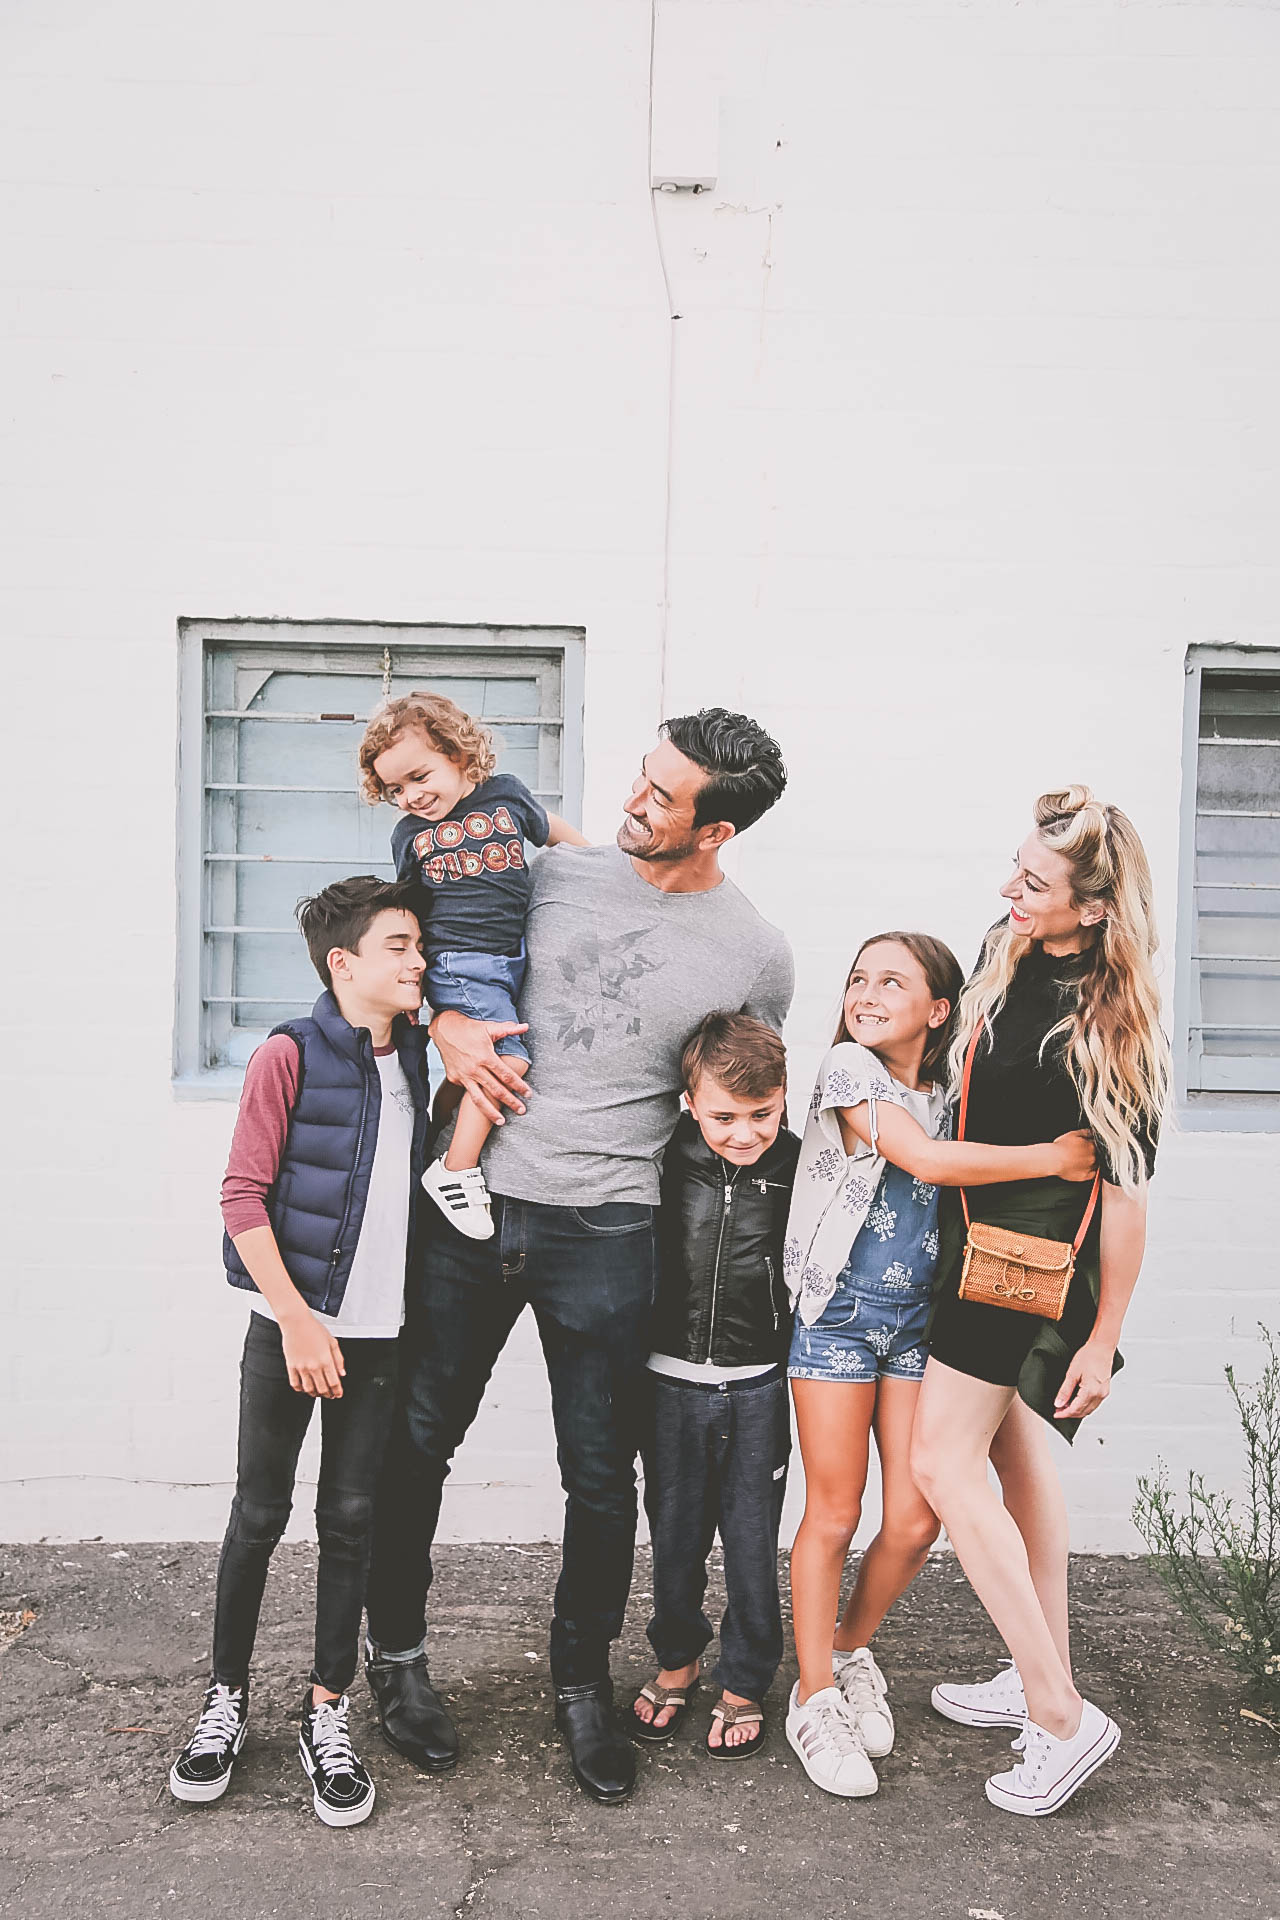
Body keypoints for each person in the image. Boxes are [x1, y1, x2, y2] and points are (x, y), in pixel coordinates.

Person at [362, 709, 793, 1804]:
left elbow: (733, 1105)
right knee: (418, 1442)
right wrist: (444, 1028)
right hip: (470, 1209)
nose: (632, 804)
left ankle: (579, 1687)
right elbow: (410, 961)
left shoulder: (753, 954)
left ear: (717, 831)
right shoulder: (549, 873)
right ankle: (398, 1663)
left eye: (661, 798)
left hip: (607, 1229)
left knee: (602, 1479)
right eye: (640, 779)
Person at [782, 932, 1099, 1799]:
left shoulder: (955, 1088)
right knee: (835, 1512)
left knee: (919, 1520)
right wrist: (1053, 1157)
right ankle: (812, 1697)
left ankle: (848, 1651)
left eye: (893, 980)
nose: (867, 992)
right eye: (857, 976)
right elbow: (918, 1159)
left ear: (940, 1009)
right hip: (840, 1319)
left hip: (926, 1325)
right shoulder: (849, 1072)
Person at [911, 788, 1168, 1818]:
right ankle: (1033, 1669)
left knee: (939, 1462)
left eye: (1031, 883)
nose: (1006, 891)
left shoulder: (1112, 1020)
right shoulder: (1002, 949)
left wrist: (1101, 1341)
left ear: (1094, 907)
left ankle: (1060, 1714)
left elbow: (1124, 1195)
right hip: (962, 1242)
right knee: (1012, 1463)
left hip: (1022, 1266)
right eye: (1010, 869)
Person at [167, 877, 432, 1827]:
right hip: (290, 1328)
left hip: (382, 1336)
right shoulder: (288, 1052)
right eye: (398, 945)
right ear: (344, 962)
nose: (418, 959)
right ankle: (225, 1699)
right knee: (258, 1513)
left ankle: (329, 1711)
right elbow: (243, 1200)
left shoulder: (422, 1058)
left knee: (351, 1522)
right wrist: (297, 1321)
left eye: (418, 944)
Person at [628, 1013, 799, 1760]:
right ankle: (676, 1658)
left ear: (784, 1099)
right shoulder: (663, 1158)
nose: (743, 1133)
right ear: (691, 1102)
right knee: (675, 1538)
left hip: (758, 1386)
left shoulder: (799, 1165)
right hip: (667, 1386)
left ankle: (745, 1676)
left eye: (761, 1115)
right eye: (725, 1116)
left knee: (754, 1544)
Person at [358, 691, 588, 1241]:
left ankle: (444, 1129)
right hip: (459, 962)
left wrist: (598, 860)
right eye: (395, 790)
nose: (411, 796)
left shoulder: (504, 796)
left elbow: (549, 826)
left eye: (419, 776)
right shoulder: (410, 837)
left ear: (459, 755)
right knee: (508, 1060)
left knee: (478, 1068)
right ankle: (456, 1169)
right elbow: (408, 906)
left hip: (511, 957)